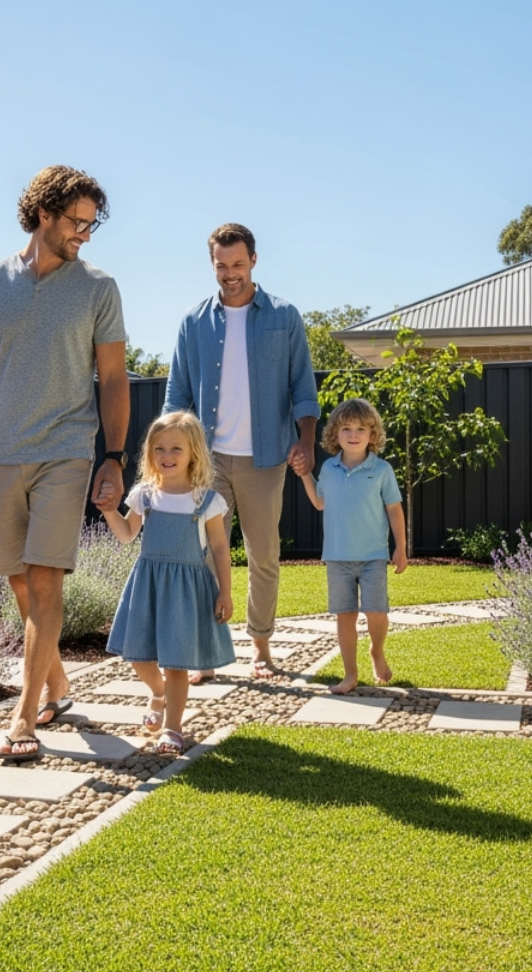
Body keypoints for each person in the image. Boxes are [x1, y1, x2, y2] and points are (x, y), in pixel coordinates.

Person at [0, 165, 130, 763]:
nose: (85, 235)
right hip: (4, 453)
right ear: (43, 214)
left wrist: (114, 458)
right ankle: (59, 683)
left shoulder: (99, 288)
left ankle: (24, 719)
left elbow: (115, 378)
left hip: (67, 452)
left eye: (92, 225)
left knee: (45, 579)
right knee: (17, 579)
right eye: (77, 223)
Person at [164, 223, 318, 683]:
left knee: (263, 555)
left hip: (265, 458)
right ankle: (208, 652)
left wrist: (306, 442)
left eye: (237, 264)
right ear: (212, 264)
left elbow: (303, 389)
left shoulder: (284, 317)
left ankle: (261, 649)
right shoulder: (193, 322)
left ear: (253, 260)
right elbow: (177, 397)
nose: (230, 274)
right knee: (206, 557)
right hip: (206, 463)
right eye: (221, 266)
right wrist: (171, 458)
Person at [99, 411, 235, 755]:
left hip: (188, 590)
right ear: (150, 453)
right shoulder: (145, 495)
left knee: (177, 662)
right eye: (159, 448)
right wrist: (109, 511)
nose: (167, 456)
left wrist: (225, 592)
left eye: (176, 448)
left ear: (194, 453)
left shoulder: (206, 500)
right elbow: (128, 534)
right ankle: (158, 693)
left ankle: (173, 729)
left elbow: (219, 548)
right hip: (148, 586)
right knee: (138, 654)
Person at [293, 397, 407, 694]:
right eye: (346, 428)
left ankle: (377, 650)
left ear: (372, 435)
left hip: (373, 556)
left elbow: (394, 509)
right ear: (335, 434)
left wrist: (401, 548)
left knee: (376, 613)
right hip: (337, 557)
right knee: (345, 615)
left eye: (360, 428)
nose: (353, 434)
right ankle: (350, 675)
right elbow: (319, 502)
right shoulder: (329, 470)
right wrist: (306, 474)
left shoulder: (381, 470)